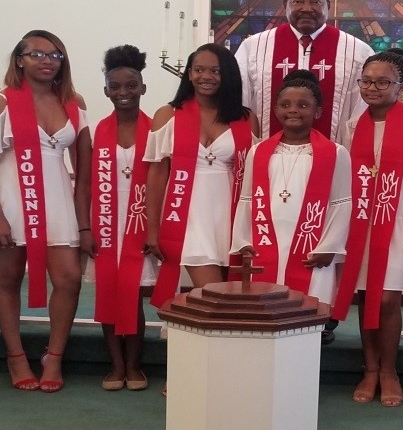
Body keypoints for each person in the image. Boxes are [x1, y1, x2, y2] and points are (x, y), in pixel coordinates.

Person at [0, 30, 90, 393]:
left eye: (55, 55)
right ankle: (16, 356)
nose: (46, 61)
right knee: (8, 278)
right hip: (12, 199)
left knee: (69, 278)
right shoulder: (1, 103)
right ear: (19, 60)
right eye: (37, 54)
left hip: (58, 200)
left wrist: (84, 223)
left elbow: (84, 168)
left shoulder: (73, 102)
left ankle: (53, 356)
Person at [331, 48, 403, 408]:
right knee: (366, 297)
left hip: (400, 225)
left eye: (382, 82)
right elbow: (345, 181)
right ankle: (371, 369)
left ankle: (389, 371)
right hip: (360, 226)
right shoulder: (351, 126)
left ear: (400, 86)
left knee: (388, 298)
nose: (372, 88)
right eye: (366, 81)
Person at [144, 43, 260, 305]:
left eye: (215, 71)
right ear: (189, 73)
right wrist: (153, 230)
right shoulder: (168, 115)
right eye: (198, 70)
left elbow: (255, 175)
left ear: (228, 74)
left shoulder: (246, 118)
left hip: (230, 215)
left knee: (233, 299)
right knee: (216, 296)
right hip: (188, 215)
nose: (205, 76)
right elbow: (157, 175)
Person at [232, 69, 351, 306]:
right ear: (276, 110)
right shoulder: (259, 151)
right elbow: (247, 199)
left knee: (310, 307)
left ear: (317, 112)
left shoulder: (336, 153)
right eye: (285, 105)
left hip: (313, 246)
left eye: (303, 105)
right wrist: (243, 239)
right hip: (265, 240)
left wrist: (330, 246)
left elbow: (341, 204)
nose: (293, 110)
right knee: (265, 306)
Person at [77, 44, 157, 392]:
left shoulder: (158, 130)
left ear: (143, 87)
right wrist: (84, 228)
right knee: (108, 293)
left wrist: (156, 229)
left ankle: (134, 365)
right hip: (105, 223)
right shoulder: (95, 131)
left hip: (140, 223)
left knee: (132, 295)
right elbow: (83, 183)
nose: (124, 92)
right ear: (106, 90)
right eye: (116, 86)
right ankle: (116, 365)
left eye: (131, 85)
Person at [235, 0, 375, 138]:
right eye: (298, 1)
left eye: (315, 2)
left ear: (328, 6)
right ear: (285, 5)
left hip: (335, 148)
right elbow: (240, 102)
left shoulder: (357, 51)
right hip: (265, 146)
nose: (306, 8)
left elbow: (362, 110)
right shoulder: (253, 48)